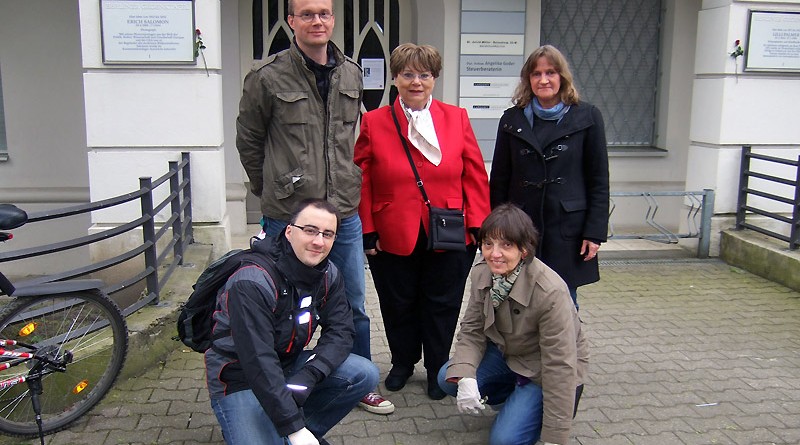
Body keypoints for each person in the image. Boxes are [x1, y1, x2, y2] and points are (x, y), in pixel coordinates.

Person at [235, 0, 393, 414]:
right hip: (288, 216)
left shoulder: (351, 74)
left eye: (323, 13)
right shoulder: (267, 78)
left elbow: (352, 139)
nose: (317, 20)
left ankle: (356, 381)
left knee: (353, 304)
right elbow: (249, 141)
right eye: (307, 14)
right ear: (291, 21)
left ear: (333, 19)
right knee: (277, 302)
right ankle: (273, 382)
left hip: (343, 213)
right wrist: (268, 188)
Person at [354, 43, 491, 400]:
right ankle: (402, 362)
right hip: (390, 230)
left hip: (448, 230)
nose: (416, 82)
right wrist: (367, 229)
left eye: (424, 75)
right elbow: (362, 179)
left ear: (434, 79)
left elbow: (475, 175)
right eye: (408, 74)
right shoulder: (374, 121)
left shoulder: (456, 117)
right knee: (397, 303)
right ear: (395, 78)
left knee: (442, 304)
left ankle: (437, 368)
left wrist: (478, 226)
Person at [205, 199, 379, 445]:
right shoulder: (252, 281)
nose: (319, 241)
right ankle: (288, 430)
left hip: (288, 364)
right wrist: (294, 428)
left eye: (327, 234)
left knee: (363, 373)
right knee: (276, 429)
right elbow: (258, 361)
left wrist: (310, 374)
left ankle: (297, 431)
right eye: (309, 230)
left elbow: (341, 331)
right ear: (288, 231)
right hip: (239, 375)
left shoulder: (328, 273)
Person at [437, 203, 588, 445]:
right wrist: (466, 377)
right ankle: (514, 400)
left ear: (524, 250)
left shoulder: (550, 292)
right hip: (507, 353)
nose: (494, 254)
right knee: (449, 376)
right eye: (488, 244)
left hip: (543, 369)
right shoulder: (482, 273)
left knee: (504, 441)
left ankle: (539, 406)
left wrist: (555, 437)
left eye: (506, 245)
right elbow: (472, 329)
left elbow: (560, 365)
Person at [489, 45, 609, 309]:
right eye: (536, 73)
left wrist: (595, 232)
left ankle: (564, 350)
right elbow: (499, 180)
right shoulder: (512, 119)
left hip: (567, 229)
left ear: (562, 76)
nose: (543, 80)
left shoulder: (587, 117)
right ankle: (520, 351)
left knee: (563, 300)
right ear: (528, 79)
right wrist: (497, 231)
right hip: (521, 227)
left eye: (550, 72)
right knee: (516, 299)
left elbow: (598, 180)